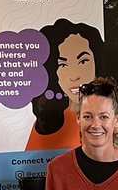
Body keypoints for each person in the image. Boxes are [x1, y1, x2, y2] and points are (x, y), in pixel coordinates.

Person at [26, 18, 105, 151]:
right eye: (62, 65)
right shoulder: (49, 123)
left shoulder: (114, 115)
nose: (73, 76)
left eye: (83, 61)